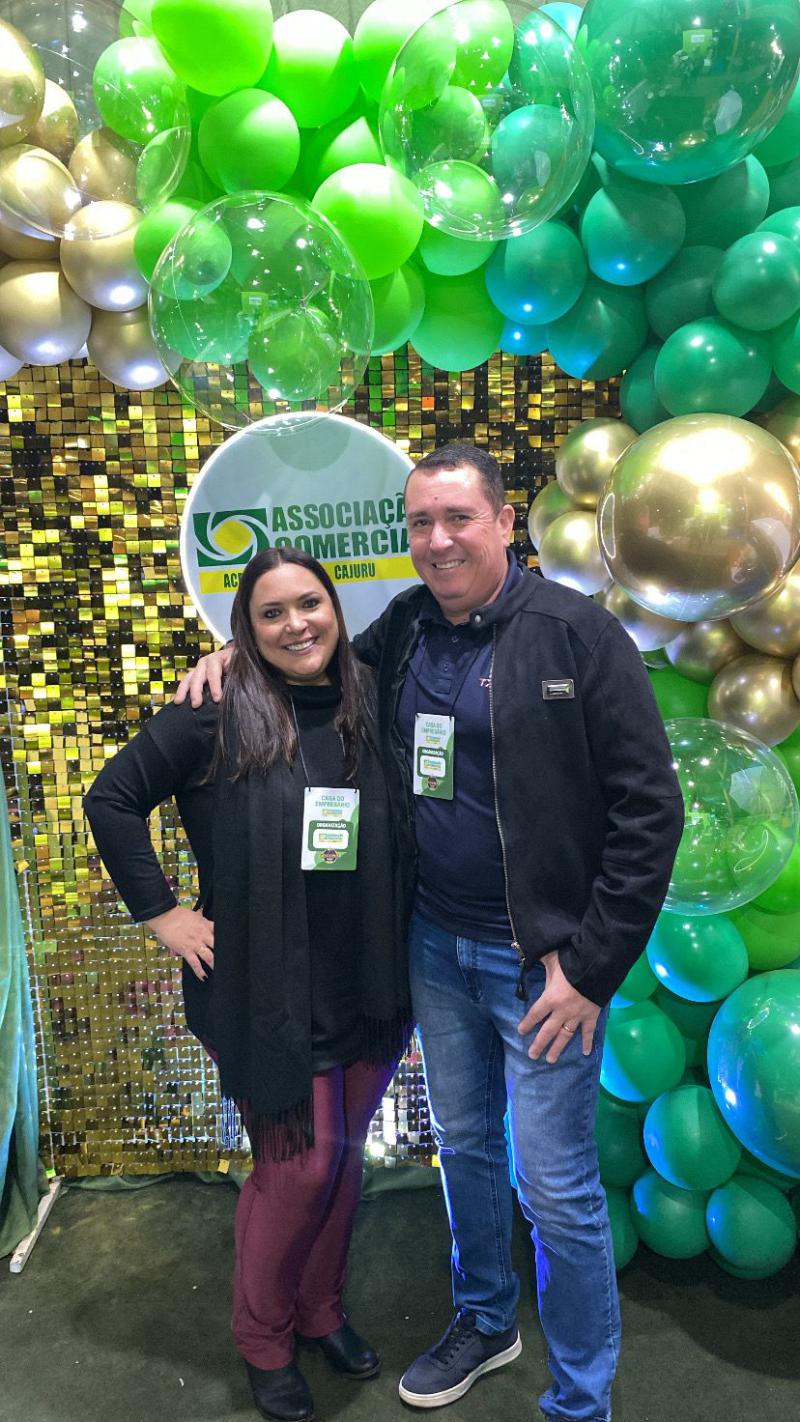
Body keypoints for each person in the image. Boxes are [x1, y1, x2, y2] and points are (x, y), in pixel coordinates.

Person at [176, 443, 685, 1422]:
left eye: (458, 518)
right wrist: (232, 653)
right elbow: (311, 663)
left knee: (556, 1188)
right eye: (420, 523)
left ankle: (581, 1398)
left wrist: (590, 969)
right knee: (467, 1150)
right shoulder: (405, 628)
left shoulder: (578, 637)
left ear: (504, 523)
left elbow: (649, 813)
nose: (438, 539)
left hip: (543, 970)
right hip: (434, 952)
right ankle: (485, 1321)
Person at [85, 548, 412, 1422]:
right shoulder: (215, 709)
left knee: (344, 1160)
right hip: (266, 986)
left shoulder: (369, 691)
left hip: (367, 975)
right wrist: (162, 913)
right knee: (297, 1171)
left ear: (335, 608)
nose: (296, 624)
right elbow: (111, 798)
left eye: (310, 604)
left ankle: (320, 1310)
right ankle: (263, 1337)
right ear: (245, 629)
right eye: (271, 613)